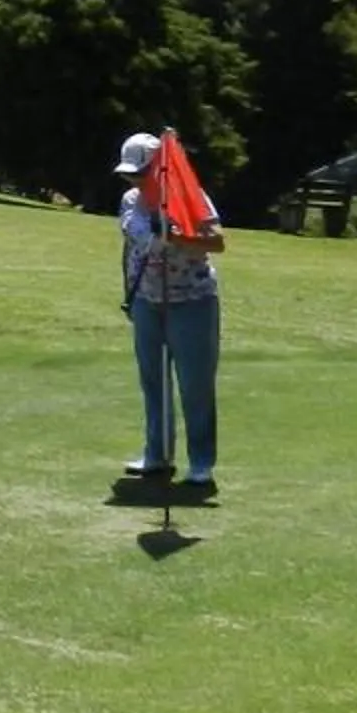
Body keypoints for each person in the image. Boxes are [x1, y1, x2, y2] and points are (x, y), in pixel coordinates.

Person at [115, 130, 224, 485]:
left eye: (140, 173)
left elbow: (216, 242)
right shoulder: (131, 201)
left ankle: (202, 461)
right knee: (154, 382)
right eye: (129, 175)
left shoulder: (191, 199)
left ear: (161, 169)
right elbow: (135, 242)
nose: (134, 180)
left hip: (192, 301)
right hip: (148, 300)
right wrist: (129, 293)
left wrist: (176, 234)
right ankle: (157, 455)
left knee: (195, 384)